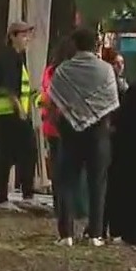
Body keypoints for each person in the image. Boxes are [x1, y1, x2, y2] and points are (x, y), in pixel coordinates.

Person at [47, 27, 119, 247]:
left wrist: (60, 124)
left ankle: (66, 234)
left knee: (67, 182)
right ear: (94, 45)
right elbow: (111, 101)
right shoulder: (105, 70)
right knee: (97, 183)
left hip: (70, 131)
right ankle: (95, 234)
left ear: (75, 45)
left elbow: (53, 102)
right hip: (98, 132)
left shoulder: (63, 70)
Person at [0, 21, 38, 212]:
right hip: (9, 113)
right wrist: (20, 110)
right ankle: (22, 196)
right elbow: (9, 88)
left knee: (10, 154)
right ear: (13, 36)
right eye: (23, 35)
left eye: (28, 35)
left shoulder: (16, 57)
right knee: (26, 149)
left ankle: (10, 197)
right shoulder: (9, 57)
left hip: (7, 113)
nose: (27, 39)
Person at [39, 38, 88, 222]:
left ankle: (60, 206)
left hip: (52, 125)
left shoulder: (50, 71)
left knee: (59, 169)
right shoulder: (67, 72)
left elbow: (46, 96)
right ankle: (74, 208)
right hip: (66, 125)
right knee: (71, 170)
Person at [105, 80, 136, 244]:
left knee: (124, 188)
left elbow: (121, 118)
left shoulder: (133, 90)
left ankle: (123, 230)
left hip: (128, 147)